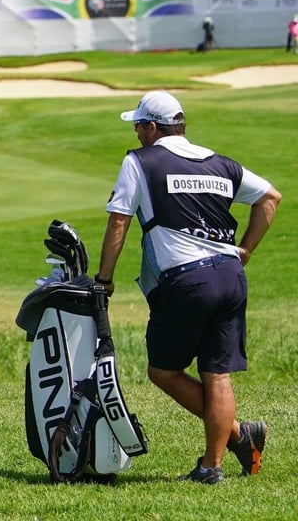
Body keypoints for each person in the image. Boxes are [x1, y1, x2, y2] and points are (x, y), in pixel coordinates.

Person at [94, 91, 280, 485]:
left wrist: (105, 278)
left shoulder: (139, 161)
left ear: (153, 128)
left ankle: (236, 436)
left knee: (163, 370)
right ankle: (214, 465)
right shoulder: (219, 163)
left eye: (138, 126)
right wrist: (245, 249)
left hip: (186, 280)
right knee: (218, 374)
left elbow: (118, 222)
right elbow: (269, 198)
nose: (136, 132)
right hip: (231, 276)